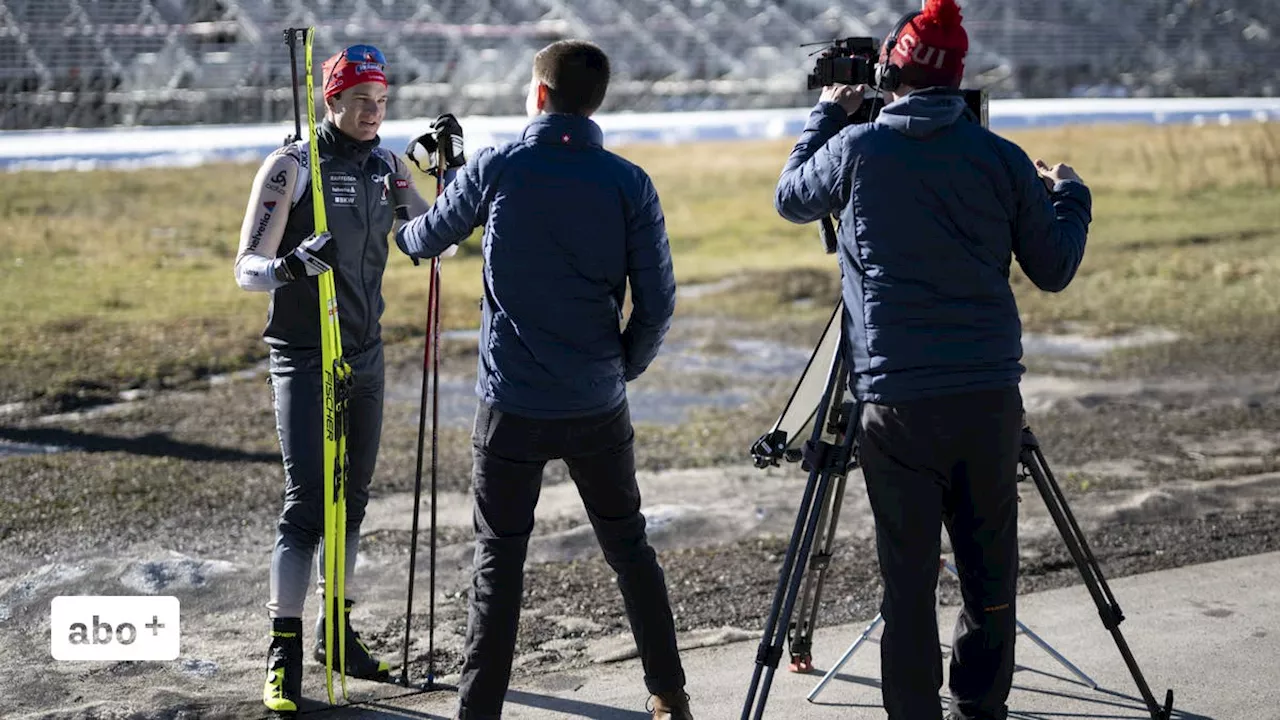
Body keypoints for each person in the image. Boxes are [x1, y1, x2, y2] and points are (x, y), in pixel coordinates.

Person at [773, 0, 1092, 718]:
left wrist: (827, 113)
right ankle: (979, 706)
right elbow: (1055, 266)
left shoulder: (856, 151)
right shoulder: (1001, 158)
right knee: (989, 572)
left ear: (893, 70)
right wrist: (1073, 196)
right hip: (985, 397)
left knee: (907, 578)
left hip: (895, 401)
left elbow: (792, 198)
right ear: (957, 77)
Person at [394, 40, 692, 720]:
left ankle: (479, 713)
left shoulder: (499, 167)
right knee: (629, 548)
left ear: (537, 95)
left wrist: (409, 199)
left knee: (498, 563)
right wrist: (623, 366)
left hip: (511, 406)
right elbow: (658, 300)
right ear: (595, 102)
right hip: (597, 401)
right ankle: (670, 696)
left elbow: (423, 240)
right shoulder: (629, 181)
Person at [232, 44, 446, 714]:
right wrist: (293, 265)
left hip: (365, 352)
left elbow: (430, 240)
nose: (372, 116)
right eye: (360, 103)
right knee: (307, 502)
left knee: (352, 501)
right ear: (331, 100)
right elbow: (247, 268)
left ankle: (338, 634)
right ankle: (284, 651)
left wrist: (449, 175)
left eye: (381, 104)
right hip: (302, 351)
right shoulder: (291, 166)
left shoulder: (387, 165)